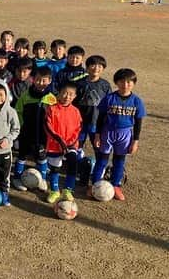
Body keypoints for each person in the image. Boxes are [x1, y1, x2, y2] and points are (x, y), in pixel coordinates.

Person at [90, 68, 146, 201]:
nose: (125, 85)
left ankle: (115, 185)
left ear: (134, 83)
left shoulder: (136, 101)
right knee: (102, 160)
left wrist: (135, 141)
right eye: (122, 82)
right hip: (108, 132)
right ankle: (95, 185)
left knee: (119, 161)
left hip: (125, 134)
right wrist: (98, 135)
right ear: (116, 82)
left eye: (129, 82)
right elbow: (100, 118)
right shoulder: (109, 98)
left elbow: (138, 123)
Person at [12, 66, 56, 192]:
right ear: (32, 79)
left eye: (44, 80)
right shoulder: (25, 96)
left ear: (49, 81)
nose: (40, 83)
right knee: (22, 155)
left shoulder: (51, 99)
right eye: (37, 80)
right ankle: (18, 177)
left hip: (43, 134)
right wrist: (20, 126)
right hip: (26, 132)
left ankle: (41, 179)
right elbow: (18, 111)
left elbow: (55, 116)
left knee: (42, 156)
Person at [74, 55, 112, 185]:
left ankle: (99, 170)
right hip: (80, 122)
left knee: (98, 147)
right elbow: (73, 103)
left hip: (97, 123)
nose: (96, 68)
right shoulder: (80, 84)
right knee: (77, 145)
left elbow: (108, 105)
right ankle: (78, 168)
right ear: (87, 67)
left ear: (103, 69)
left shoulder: (105, 85)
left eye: (100, 66)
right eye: (93, 65)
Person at [44, 82, 82, 203]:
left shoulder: (76, 111)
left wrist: (70, 143)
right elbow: (48, 126)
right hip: (55, 144)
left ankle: (67, 190)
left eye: (71, 94)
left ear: (75, 96)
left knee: (73, 163)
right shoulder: (51, 109)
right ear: (59, 94)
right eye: (64, 93)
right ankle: (54, 190)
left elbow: (78, 128)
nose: (67, 97)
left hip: (71, 144)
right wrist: (59, 140)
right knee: (55, 168)